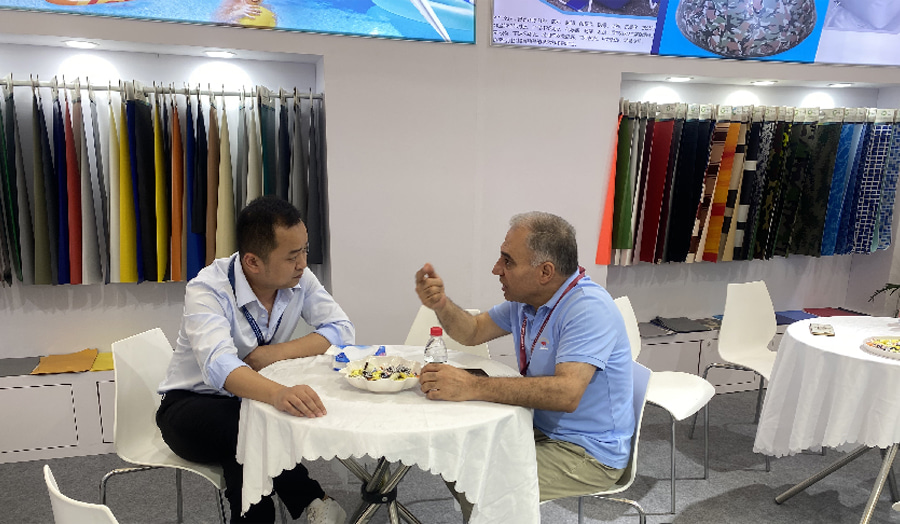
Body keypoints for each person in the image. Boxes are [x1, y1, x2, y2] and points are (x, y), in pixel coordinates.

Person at [414, 211, 634, 517]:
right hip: (539, 427)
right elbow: (473, 331)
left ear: (545, 272)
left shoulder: (587, 309)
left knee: (482, 484)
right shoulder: (528, 301)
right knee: (457, 455)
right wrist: (441, 304)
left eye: (508, 261)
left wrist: (472, 385)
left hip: (588, 452)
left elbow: (566, 394)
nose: (496, 269)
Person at [157, 196, 352, 524]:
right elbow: (219, 365)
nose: (303, 263)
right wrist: (277, 393)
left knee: (247, 442)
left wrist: (274, 353)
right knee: (251, 426)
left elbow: (342, 330)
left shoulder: (299, 279)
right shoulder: (208, 289)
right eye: (292, 256)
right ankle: (313, 499)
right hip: (190, 406)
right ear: (252, 262)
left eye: (305, 250)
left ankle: (279, 511)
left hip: (250, 403)